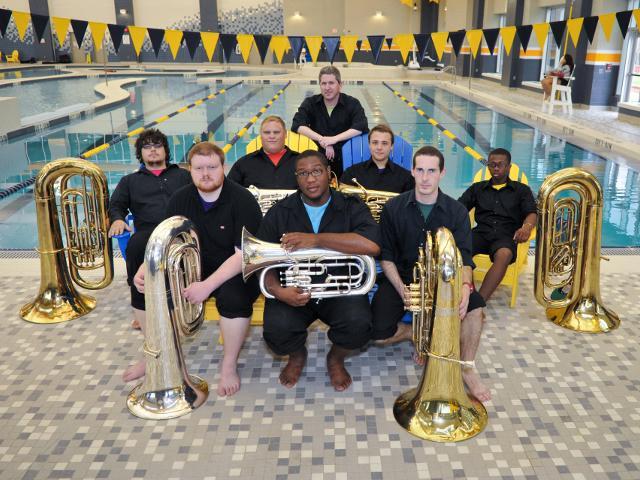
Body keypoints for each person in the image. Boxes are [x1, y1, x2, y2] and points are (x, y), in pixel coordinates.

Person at [131, 141, 262, 397]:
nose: (206, 174)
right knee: (142, 274)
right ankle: (154, 354)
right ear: (189, 170)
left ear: (224, 167)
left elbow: (242, 256)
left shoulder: (242, 200)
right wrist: (145, 269)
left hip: (232, 269)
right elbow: (166, 241)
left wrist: (207, 286)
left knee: (234, 295)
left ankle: (228, 364)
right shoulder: (181, 198)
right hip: (193, 267)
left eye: (212, 167)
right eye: (199, 168)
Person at [371, 145, 491, 402]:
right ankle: (416, 334)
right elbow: (387, 257)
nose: (425, 178)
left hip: (444, 282)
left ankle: (467, 366)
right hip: (402, 280)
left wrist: (465, 288)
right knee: (377, 333)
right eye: (420, 170)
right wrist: (401, 288)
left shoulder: (457, 212)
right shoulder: (393, 208)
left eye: (431, 171)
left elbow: (465, 259)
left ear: (442, 173)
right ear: (412, 171)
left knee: (476, 311)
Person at [256, 150, 381, 392]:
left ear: (329, 175)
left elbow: (372, 245)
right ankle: (296, 354)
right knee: (275, 331)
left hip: (341, 291)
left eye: (316, 171)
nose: (310, 179)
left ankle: (335, 357)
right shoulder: (280, 211)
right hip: (294, 292)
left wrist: (317, 240)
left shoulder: (350, 206)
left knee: (360, 325)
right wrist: (278, 290)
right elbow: (262, 260)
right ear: (296, 178)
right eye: (303, 173)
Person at [108, 128, 191, 331]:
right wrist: (118, 220)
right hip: (149, 233)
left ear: (165, 150)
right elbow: (115, 205)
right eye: (147, 147)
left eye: (157, 146)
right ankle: (141, 306)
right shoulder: (130, 181)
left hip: (180, 230)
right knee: (136, 244)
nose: (152, 150)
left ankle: (186, 298)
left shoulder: (183, 175)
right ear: (141, 153)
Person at [457, 148, 537, 302]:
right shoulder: (477, 188)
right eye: (492, 165)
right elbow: (459, 208)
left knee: (504, 254)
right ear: (488, 166)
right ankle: (469, 293)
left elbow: (531, 212)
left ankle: (478, 302)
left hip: (506, 235)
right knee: (458, 251)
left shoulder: (521, 190)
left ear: (509, 167)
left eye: (500, 165)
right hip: (481, 233)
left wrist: (526, 227)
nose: (496, 168)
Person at [292, 65, 368, 177]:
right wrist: (322, 140)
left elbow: (361, 126)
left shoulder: (352, 103)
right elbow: (297, 125)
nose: (327, 87)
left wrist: (334, 139)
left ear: (340, 85)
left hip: (346, 161)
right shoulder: (311, 103)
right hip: (317, 163)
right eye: (323, 83)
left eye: (331, 83)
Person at [227, 115, 298, 189]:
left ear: (285, 134)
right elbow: (228, 191)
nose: (272, 136)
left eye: (276, 132)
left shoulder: (301, 162)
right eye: (267, 132)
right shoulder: (243, 164)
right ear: (261, 135)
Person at [339, 124, 414, 193]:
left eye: (384, 143)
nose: (379, 147)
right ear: (369, 145)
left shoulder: (406, 177)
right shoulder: (351, 173)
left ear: (391, 146)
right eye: (375, 142)